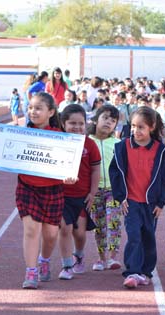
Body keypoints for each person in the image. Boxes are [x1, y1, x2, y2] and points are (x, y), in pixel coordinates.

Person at [0, 92, 77, 289]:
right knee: (31, 229)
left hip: (52, 190)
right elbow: (2, 157)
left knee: (51, 235)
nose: (33, 112)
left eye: (38, 108)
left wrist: (69, 177)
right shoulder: (19, 133)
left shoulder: (62, 137)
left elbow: (69, 167)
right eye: (30, 108)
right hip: (27, 188)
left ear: (51, 112)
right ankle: (31, 271)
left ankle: (44, 260)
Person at [110, 107, 165, 288]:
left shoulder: (160, 150)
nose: (136, 131)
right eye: (133, 126)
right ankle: (132, 272)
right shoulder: (122, 147)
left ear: (151, 127)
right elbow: (115, 173)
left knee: (148, 237)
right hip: (131, 202)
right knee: (134, 235)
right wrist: (121, 197)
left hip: (151, 203)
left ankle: (145, 271)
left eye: (141, 127)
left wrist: (161, 202)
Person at [57, 104, 101, 279]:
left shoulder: (90, 145)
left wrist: (93, 192)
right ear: (63, 124)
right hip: (61, 196)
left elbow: (95, 170)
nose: (77, 127)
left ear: (86, 124)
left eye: (80, 123)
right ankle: (67, 266)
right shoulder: (57, 142)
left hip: (82, 197)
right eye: (72, 123)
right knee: (65, 229)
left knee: (80, 233)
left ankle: (79, 254)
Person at [88, 105, 124, 272]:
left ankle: (112, 257)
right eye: (105, 118)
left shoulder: (118, 144)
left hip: (113, 190)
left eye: (113, 120)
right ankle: (101, 258)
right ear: (96, 119)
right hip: (94, 191)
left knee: (113, 221)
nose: (108, 122)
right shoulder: (87, 141)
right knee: (99, 225)